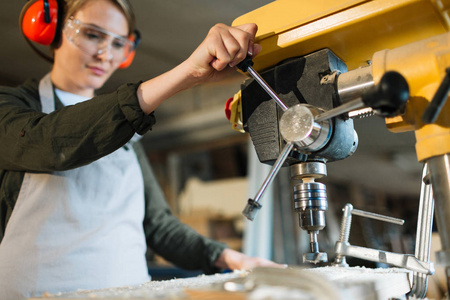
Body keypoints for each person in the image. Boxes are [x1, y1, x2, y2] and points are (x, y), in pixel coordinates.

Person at [0, 0, 279, 299]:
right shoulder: (13, 105)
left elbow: (158, 226)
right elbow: (50, 143)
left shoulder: (124, 133)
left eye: (118, 43)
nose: (105, 54)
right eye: (92, 35)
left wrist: (232, 258)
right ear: (50, 30)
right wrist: (186, 73)